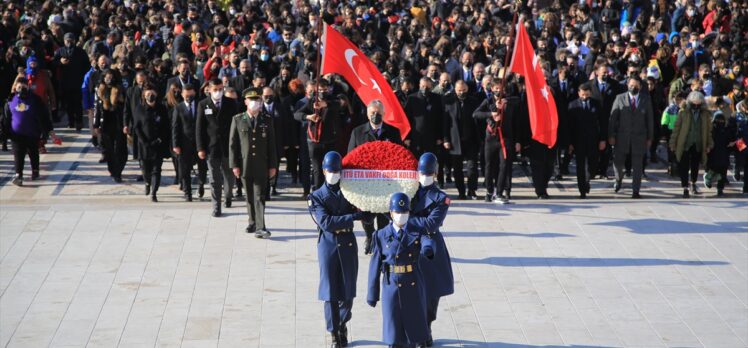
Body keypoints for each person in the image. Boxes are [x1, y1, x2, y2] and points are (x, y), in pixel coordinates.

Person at [308, 151, 366, 348]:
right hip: (329, 245)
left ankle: (342, 323)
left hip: (348, 243)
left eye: (336, 171)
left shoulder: (350, 192)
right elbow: (326, 222)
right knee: (330, 292)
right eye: (330, 171)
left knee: (348, 291)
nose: (333, 174)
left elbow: (363, 211)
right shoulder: (316, 196)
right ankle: (334, 332)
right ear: (324, 171)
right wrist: (352, 218)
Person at [367, 192, 435, 348]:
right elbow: (374, 266)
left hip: (412, 282)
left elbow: (427, 240)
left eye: (404, 212)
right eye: (397, 212)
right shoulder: (381, 235)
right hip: (392, 285)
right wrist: (372, 294)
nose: (401, 215)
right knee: (394, 330)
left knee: (412, 331)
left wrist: (428, 248)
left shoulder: (417, 230)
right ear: (391, 213)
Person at [348, 99, 403, 254]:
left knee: (384, 213)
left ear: (384, 114)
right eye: (372, 113)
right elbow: (350, 156)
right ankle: (370, 237)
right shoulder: (357, 132)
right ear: (367, 114)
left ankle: (382, 240)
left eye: (378, 113)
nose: (375, 115)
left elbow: (400, 155)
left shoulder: (393, 132)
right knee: (367, 214)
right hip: (366, 182)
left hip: (387, 181)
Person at [410, 153, 453, 347]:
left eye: (428, 173)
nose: (424, 176)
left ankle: (426, 329)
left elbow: (431, 224)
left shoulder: (441, 198)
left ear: (435, 173)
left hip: (430, 246)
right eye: (421, 172)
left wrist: (406, 219)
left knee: (430, 293)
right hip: (409, 244)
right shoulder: (408, 191)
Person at [229, 88, 278, 238]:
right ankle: (252, 221)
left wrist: (273, 165)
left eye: (257, 100)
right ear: (245, 102)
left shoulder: (267, 119)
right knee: (249, 196)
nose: (255, 103)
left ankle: (260, 227)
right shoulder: (238, 119)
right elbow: (233, 144)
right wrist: (234, 165)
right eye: (252, 100)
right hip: (245, 164)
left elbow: (272, 144)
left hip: (261, 165)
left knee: (259, 196)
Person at [196, 78, 239, 217]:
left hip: (228, 147)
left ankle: (228, 195)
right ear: (209, 90)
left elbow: (236, 125)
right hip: (211, 147)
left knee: (229, 176)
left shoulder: (231, 103)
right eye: (215, 90)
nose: (218, 92)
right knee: (214, 179)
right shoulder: (203, 104)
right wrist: (200, 148)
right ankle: (216, 207)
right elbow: (199, 128)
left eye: (221, 89)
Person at [473, 80, 520, 203]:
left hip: (506, 138)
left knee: (504, 166)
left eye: (501, 88)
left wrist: (517, 141)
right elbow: (476, 114)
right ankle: (489, 191)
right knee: (489, 166)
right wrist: (491, 113)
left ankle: (499, 193)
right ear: (492, 88)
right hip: (491, 138)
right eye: (496, 88)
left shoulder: (510, 102)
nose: (499, 91)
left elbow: (516, 122)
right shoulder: (488, 101)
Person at [1, 77, 53, 186]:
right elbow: (6, 119)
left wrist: (48, 130)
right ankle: (18, 175)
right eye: (19, 87)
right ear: (15, 87)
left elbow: (44, 116)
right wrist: (4, 135)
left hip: (32, 132)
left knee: (33, 152)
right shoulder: (11, 100)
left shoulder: (35, 99)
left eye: (23, 87)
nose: (21, 89)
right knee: (18, 155)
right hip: (16, 134)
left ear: (28, 87)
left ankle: (35, 170)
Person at [609, 76, 653, 199]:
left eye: (636, 85)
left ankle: (635, 190)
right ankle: (618, 179)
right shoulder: (619, 98)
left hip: (639, 138)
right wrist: (611, 135)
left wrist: (650, 137)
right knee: (618, 162)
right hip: (622, 137)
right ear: (628, 85)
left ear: (640, 86)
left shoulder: (646, 99)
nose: (633, 87)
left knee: (637, 166)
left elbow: (650, 120)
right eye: (631, 85)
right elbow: (613, 118)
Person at [294, 79, 341, 192]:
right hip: (314, 141)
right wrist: (308, 117)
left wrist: (326, 104)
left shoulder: (333, 100)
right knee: (317, 169)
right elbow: (297, 114)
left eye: (324, 89)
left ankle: (331, 191)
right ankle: (318, 192)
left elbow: (338, 105)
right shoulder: (312, 102)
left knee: (330, 169)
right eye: (320, 90)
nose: (322, 92)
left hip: (330, 140)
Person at [669, 91, 713, 198]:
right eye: (694, 104)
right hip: (684, 142)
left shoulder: (705, 115)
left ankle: (693, 183)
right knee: (683, 165)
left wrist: (709, 144)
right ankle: (685, 186)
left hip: (698, 142)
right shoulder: (683, 112)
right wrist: (672, 143)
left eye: (698, 104)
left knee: (695, 165)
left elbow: (708, 131)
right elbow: (676, 129)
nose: (696, 106)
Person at [443, 80, 480, 200]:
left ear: (467, 89)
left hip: (471, 141)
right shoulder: (449, 102)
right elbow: (445, 123)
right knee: (457, 169)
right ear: (455, 90)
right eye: (459, 90)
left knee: (472, 168)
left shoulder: (474, 102)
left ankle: (472, 190)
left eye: (464, 90)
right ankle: (461, 192)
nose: (461, 92)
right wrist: (446, 139)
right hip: (455, 142)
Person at [133, 84, 170, 202]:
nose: (150, 96)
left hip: (157, 145)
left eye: (152, 94)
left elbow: (166, 127)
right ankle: (147, 182)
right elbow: (137, 127)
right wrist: (144, 141)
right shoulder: (139, 108)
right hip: (144, 145)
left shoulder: (162, 108)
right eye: (148, 94)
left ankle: (154, 192)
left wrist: (160, 139)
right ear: (144, 95)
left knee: (156, 169)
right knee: (145, 169)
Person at [568, 83, 605, 199]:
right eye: (582, 95)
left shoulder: (596, 104)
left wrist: (603, 139)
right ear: (579, 93)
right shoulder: (572, 105)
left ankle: (588, 179)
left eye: (587, 94)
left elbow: (602, 123)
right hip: (578, 141)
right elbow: (569, 126)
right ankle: (582, 190)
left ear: (590, 93)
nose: (584, 97)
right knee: (580, 166)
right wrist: (569, 143)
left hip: (593, 140)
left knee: (592, 165)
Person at [172, 83, 207, 201]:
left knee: (202, 167)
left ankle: (201, 184)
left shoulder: (201, 105)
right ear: (182, 95)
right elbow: (175, 127)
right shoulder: (179, 107)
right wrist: (175, 144)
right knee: (184, 169)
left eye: (190, 95)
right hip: (184, 143)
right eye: (186, 95)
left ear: (195, 94)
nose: (188, 98)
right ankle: (188, 192)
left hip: (199, 143)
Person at [93, 69, 128, 183]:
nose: (109, 79)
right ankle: (113, 170)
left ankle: (118, 171)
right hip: (105, 123)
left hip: (118, 122)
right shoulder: (99, 90)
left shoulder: (120, 89)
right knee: (109, 150)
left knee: (120, 149)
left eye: (111, 77)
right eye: (107, 77)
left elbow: (125, 108)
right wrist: (96, 124)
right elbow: (97, 108)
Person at [705, 112, 735, 196]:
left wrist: (731, 145)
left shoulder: (726, 130)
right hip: (713, 155)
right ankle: (709, 181)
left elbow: (732, 141)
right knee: (713, 171)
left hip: (723, 155)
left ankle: (720, 188)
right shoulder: (711, 130)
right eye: (718, 120)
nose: (720, 122)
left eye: (722, 120)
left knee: (722, 173)